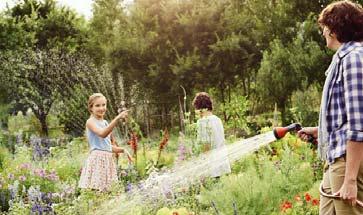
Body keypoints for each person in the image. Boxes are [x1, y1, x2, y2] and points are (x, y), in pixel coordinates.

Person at [297, 1, 363, 214]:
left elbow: (358, 124)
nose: (323, 32)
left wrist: (350, 179)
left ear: (335, 29)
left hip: (347, 162)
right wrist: (320, 132)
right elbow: (345, 117)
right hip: (336, 157)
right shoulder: (342, 59)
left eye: (325, 26)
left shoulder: (353, 59)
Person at [79, 93, 131, 191]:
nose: (101, 108)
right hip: (98, 160)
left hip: (107, 160)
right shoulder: (90, 122)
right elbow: (102, 134)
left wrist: (123, 150)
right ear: (91, 108)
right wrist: (117, 118)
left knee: (108, 191)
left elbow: (107, 147)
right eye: (97, 105)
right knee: (97, 191)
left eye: (103, 105)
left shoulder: (105, 123)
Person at [193, 92, 231, 178]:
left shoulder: (202, 122)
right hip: (223, 163)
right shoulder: (218, 119)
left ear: (200, 108)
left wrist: (203, 166)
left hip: (213, 168)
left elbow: (206, 146)